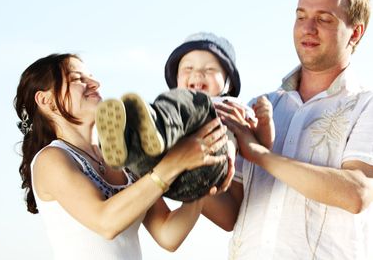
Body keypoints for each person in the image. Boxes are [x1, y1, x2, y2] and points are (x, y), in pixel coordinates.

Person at [206, 0, 373, 259]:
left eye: (324, 19)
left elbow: (357, 192)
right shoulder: (263, 105)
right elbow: (229, 213)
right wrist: (175, 168)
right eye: (300, 16)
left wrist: (260, 154)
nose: (307, 28)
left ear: (356, 32)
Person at [14, 53, 228, 260]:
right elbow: (105, 222)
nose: (95, 83)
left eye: (91, 76)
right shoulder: (51, 159)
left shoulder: (122, 159)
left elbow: (167, 234)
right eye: (78, 78)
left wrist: (204, 177)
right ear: (46, 100)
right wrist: (174, 163)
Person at [96, 32, 275, 202]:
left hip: (211, 167)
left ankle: (152, 131)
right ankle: (124, 146)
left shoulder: (231, 105)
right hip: (168, 178)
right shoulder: (176, 103)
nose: (197, 74)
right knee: (149, 132)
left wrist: (265, 121)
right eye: (188, 68)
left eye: (210, 69)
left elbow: (261, 145)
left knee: (193, 103)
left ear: (228, 83)